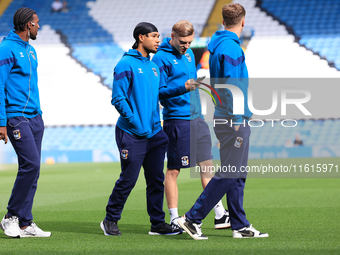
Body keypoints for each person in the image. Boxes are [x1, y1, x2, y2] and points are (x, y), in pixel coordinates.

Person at [178, 3, 269, 240]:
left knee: (237, 173)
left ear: (223, 20)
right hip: (232, 118)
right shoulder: (231, 48)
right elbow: (232, 85)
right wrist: (238, 117)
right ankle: (192, 218)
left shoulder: (219, 45)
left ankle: (240, 225)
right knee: (230, 172)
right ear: (243, 21)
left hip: (225, 116)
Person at [101, 22, 199, 236]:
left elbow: (158, 96)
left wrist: (181, 88)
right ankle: (110, 219)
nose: (157, 40)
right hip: (132, 133)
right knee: (128, 179)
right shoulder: (125, 64)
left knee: (156, 181)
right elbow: (118, 98)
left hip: (155, 133)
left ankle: (157, 224)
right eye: (154, 36)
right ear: (141, 37)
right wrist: (135, 122)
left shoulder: (153, 67)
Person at [152, 20, 230, 231]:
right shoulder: (160, 58)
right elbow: (158, 92)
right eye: (183, 42)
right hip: (177, 120)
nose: (186, 46)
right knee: (174, 171)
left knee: (207, 167)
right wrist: (183, 87)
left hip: (197, 118)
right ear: (173, 36)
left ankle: (219, 214)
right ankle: (175, 218)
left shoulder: (188, 55)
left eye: (189, 41)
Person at [0, 7, 51, 238]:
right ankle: (10, 217)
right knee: (31, 165)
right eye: (37, 22)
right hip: (16, 117)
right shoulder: (6, 49)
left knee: (33, 170)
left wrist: (38, 113)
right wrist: (2, 122)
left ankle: (25, 222)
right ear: (28, 25)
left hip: (34, 118)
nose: (39, 26)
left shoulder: (30, 51)